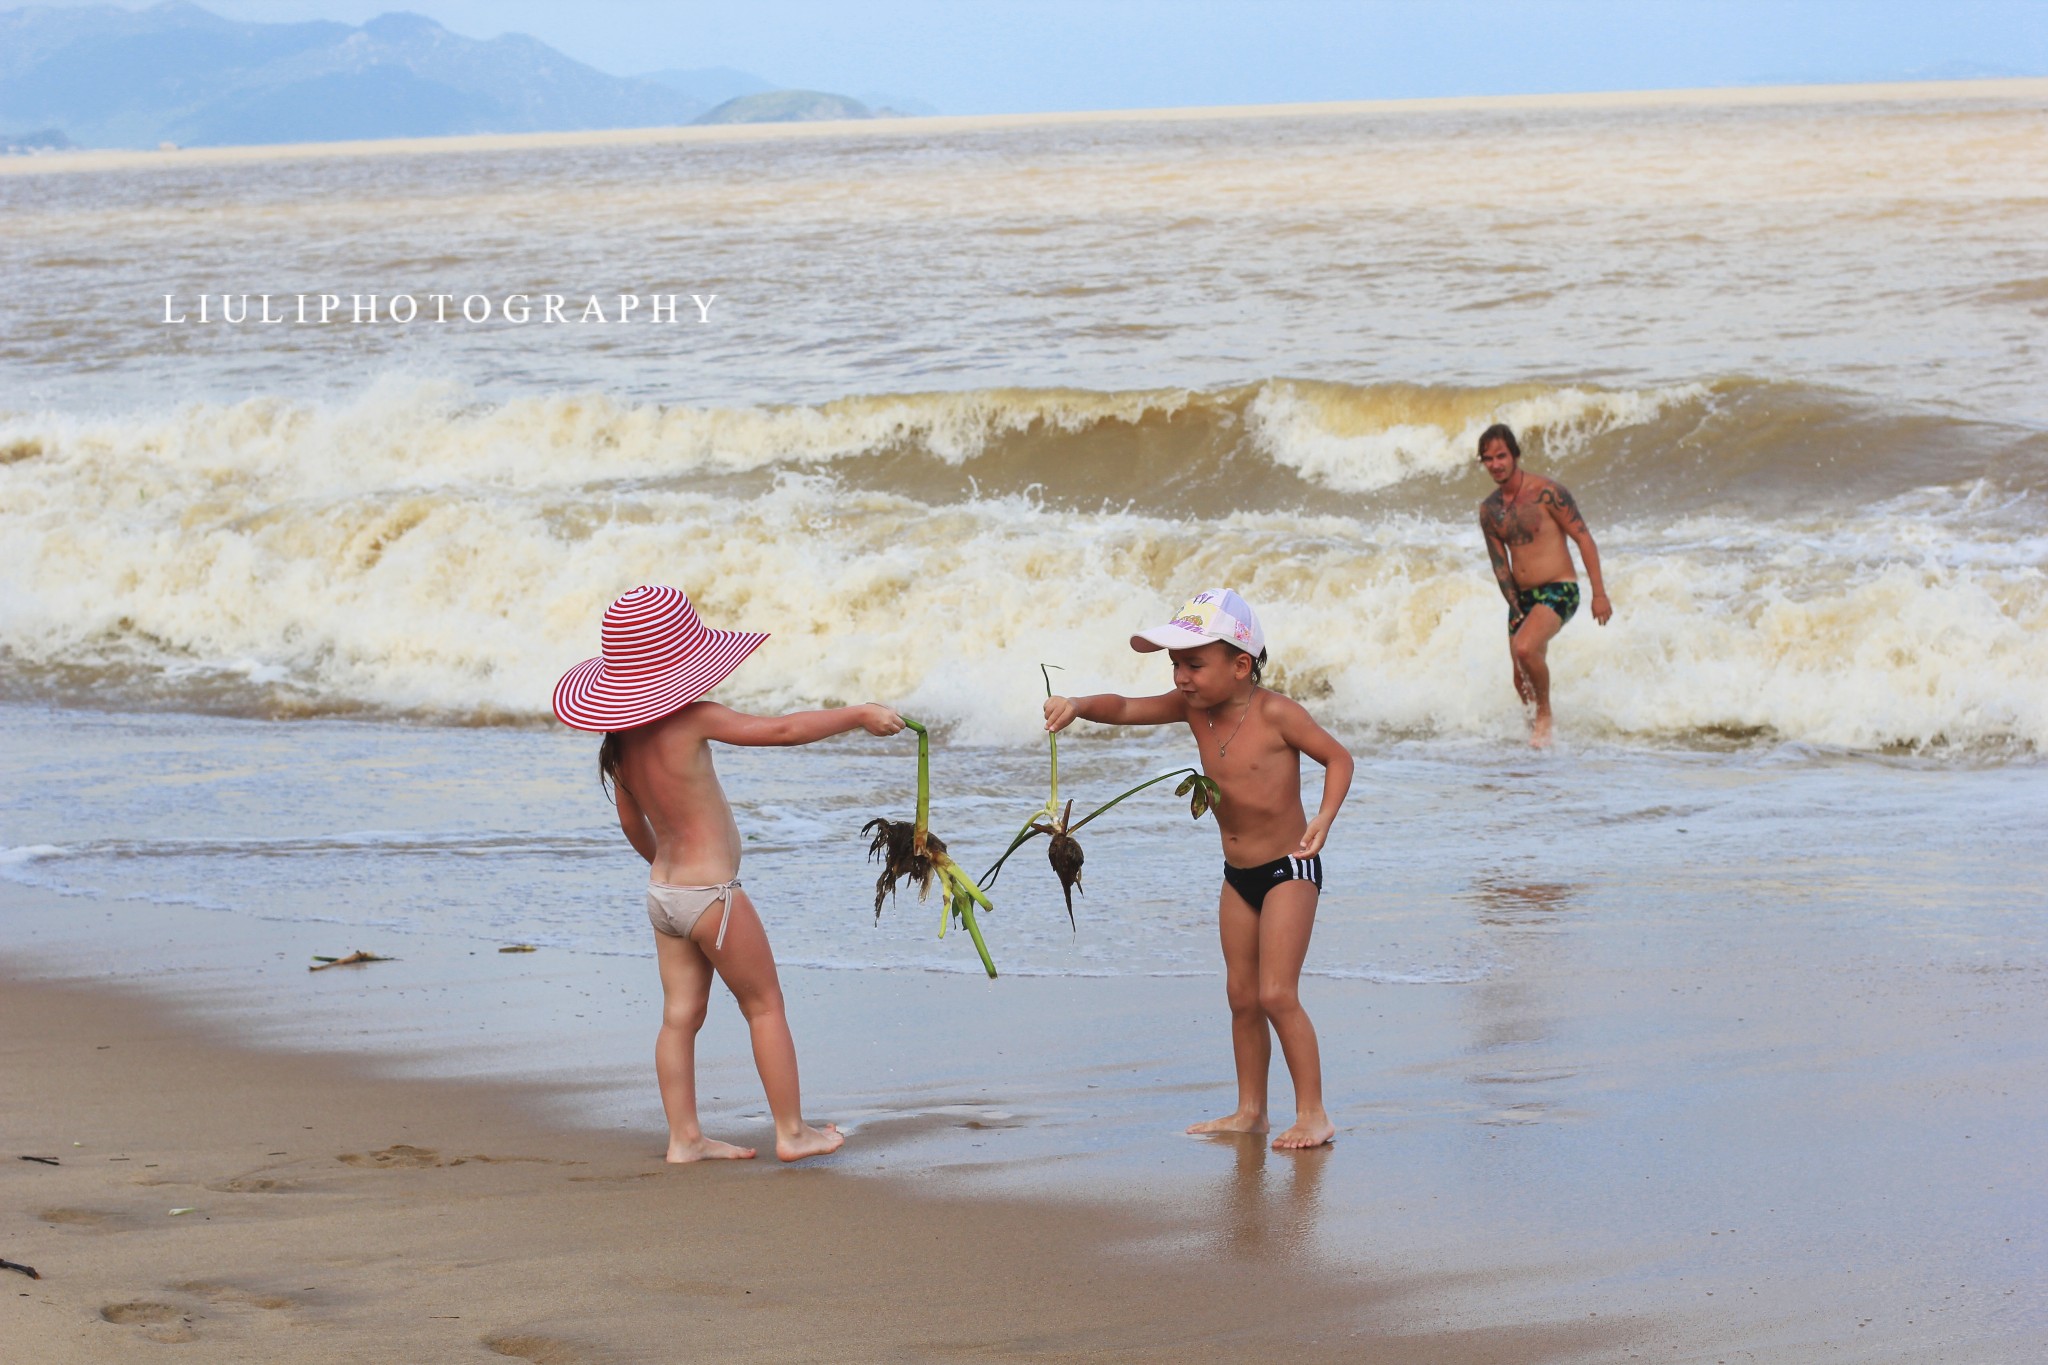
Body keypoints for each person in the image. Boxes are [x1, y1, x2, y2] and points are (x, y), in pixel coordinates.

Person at [554, 585, 904, 1163]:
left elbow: (630, 822)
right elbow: (783, 731)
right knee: (764, 1004)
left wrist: (669, 875)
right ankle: (793, 1132)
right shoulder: (693, 719)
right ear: (682, 662)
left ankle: (684, 1139)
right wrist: (858, 714)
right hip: (712, 895)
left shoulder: (619, 742)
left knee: (679, 1018)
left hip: (664, 895)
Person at [1043, 589, 1353, 1150]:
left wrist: (1324, 819)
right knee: (1240, 995)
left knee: (1277, 993)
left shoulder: (1278, 712)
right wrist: (1079, 704)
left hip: (1290, 869)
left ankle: (1314, 1114)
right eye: (1175, 665)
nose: (1181, 677)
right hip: (1237, 877)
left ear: (1240, 665)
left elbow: (1338, 758)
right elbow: (1128, 707)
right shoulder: (1192, 708)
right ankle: (1250, 1111)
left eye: (1193, 664)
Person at [1475, 422, 1612, 747]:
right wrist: (1514, 605)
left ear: (1515, 455)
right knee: (1520, 678)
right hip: (1522, 598)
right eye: (1488, 459)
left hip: (1559, 589)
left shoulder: (1548, 492)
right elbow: (1500, 565)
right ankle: (1534, 743)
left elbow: (1583, 538)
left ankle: (1545, 719)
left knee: (1525, 648)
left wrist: (1600, 594)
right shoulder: (1489, 510)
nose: (1495, 464)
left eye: (1501, 456)